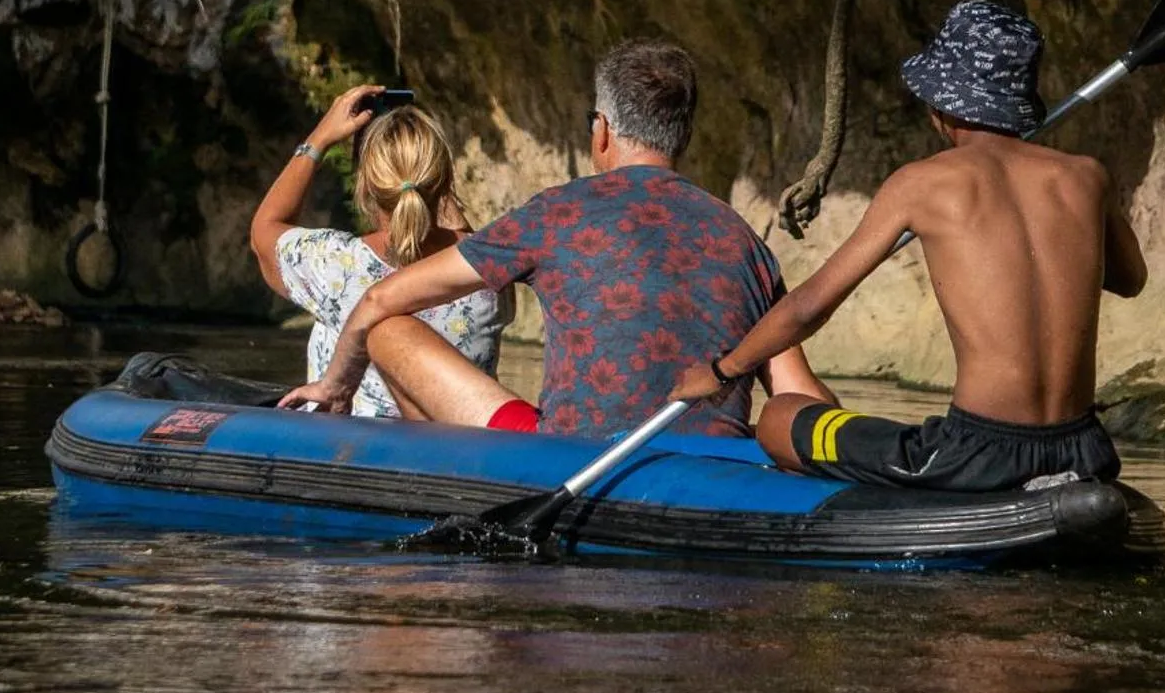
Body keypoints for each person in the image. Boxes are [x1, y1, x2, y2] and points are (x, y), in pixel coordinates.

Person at [670, 0, 1148, 491]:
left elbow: (809, 306)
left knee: (781, 415)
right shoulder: (1088, 178)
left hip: (979, 455)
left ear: (941, 106)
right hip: (1084, 446)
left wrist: (723, 370)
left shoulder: (922, 184)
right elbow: (1130, 280)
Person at [277, 40, 834, 436]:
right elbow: (798, 392)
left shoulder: (557, 213)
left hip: (562, 457)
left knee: (391, 328)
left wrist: (335, 387)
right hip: (709, 459)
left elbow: (379, 300)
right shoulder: (743, 242)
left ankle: (442, 468)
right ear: (682, 134)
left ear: (603, 131)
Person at [251, 86, 511, 417]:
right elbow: (468, 246)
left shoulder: (337, 265)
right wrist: (436, 189)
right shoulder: (491, 270)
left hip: (350, 456)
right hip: (457, 457)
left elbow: (264, 231)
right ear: (444, 179)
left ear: (364, 185)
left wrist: (319, 139)